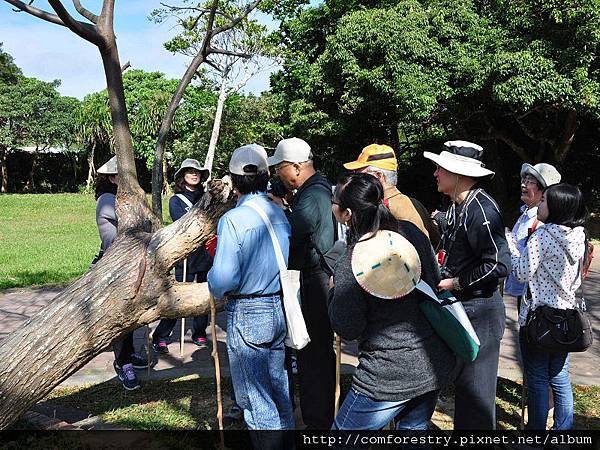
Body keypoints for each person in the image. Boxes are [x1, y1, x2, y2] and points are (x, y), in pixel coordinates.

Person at [328, 173, 455, 433]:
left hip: (386, 374)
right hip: (432, 360)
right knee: (414, 430)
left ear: (348, 213)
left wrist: (333, 292)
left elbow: (348, 328)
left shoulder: (352, 260)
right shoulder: (412, 234)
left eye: (334, 201)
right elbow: (433, 281)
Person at [207, 144, 294, 441]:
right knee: (278, 388)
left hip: (247, 311)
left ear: (233, 182)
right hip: (277, 308)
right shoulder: (279, 213)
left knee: (257, 402)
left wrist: (210, 278)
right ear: (266, 175)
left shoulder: (233, 219)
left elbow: (222, 280)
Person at [423, 140, 511, 429]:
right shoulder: (458, 206)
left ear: (457, 174)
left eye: (440, 168)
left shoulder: (481, 209)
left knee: (476, 400)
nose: (435, 173)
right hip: (464, 310)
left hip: (481, 312)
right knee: (465, 394)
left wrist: (456, 282)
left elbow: (499, 265)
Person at [267, 137, 336, 429]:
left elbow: (294, 234)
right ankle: (316, 414)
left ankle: (317, 421)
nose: (277, 174)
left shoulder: (312, 194)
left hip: (314, 280)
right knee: (313, 350)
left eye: (279, 167)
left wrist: (279, 212)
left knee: (312, 350)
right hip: (314, 277)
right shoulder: (314, 189)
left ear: (296, 167)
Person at [506, 183, 587, 430]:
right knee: (560, 377)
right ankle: (563, 431)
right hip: (566, 318)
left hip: (539, 319)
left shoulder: (543, 235)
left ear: (556, 207)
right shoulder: (579, 236)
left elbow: (521, 273)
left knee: (538, 378)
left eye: (544, 202)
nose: (539, 204)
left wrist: (510, 244)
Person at [95, 156, 148, 391]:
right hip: (113, 266)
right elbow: (134, 220)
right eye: (122, 175)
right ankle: (122, 362)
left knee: (133, 314)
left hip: (131, 264)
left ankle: (130, 354)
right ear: (111, 177)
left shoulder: (124, 198)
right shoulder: (107, 200)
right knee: (120, 317)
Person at [152, 158, 212, 353]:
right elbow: (183, 224)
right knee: (177, 298)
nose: (194, 174)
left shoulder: (209, 197)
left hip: (205, 254)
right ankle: (161, 335)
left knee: (204, 296)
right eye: (189, 171)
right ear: (182, 177)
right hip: (185, 255)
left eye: (197, 172)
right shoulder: (176, 200)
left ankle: (199, 332)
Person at [343, 143, 439, 244]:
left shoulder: (387, 208)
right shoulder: (414, 203)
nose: (355, 180)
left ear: (379, 176)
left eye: (360, 175)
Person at [504, 163, 561, 308]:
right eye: (524, 180)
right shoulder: (524, 213)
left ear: (545, 191)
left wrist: (508, 239)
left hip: (533, 296)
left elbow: (528, 261)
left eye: (530, 182)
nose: (524, 185)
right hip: (522, 292)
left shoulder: (542, 224)